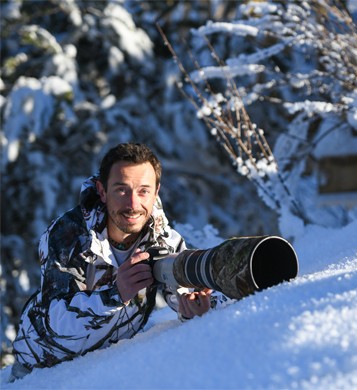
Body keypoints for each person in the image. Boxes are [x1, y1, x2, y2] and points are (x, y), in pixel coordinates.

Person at [10, 143, 229, 381]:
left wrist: (193, 309)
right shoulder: (68, 235)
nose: (133, 204)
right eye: (122, 190)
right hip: (42, 371)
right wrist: (116, 295)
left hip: (110, 363)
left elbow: (182, 295)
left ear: (156, 191)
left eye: (143, 191)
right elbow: (58, 324)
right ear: (102, 191)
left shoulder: (163, 240)